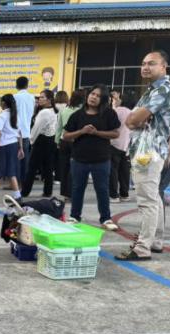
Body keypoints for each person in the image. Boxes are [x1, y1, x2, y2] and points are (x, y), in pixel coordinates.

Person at [117, 50, 170, 261]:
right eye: (143, 63)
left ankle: (142, 247)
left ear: (163, 67)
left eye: (151, 63)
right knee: (154, 198)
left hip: (148, 152)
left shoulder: (162, 89)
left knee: (147, 201)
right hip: (148, 150)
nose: (145, 67)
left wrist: (135, 119)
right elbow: (131, 120)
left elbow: (133, 120)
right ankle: (156, 241)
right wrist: (134, 119)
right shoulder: (152, 90)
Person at [61, 85, 120, 231]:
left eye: (98, 96)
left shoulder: (109, 114)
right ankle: (74, 216)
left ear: (103, 99)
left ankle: (105, 218)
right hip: (79, 159)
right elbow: (65, 136)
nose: (94, 97)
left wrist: (97, 133)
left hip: (101, 159)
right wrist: (81, 131)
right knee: (77, 188)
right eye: (92, 94)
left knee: (102, 189)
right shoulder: (77, 115)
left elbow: (115, 133)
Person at [22, 89, 58, 197]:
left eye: (42, 97)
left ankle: (24, 191)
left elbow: (36, 129)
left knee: (32, 168)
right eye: (40, 97)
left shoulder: (44, 112)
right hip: (51, 140)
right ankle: (48, 191)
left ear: (49, 100)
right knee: (48, 167)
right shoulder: (53, 110)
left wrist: (31, 140)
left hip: (41, 140)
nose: (40, 99)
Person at [55, 90, 85, 201]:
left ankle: (65, 194)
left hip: (64, 141)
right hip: (77, 142)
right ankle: (72, 193)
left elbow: (58, 127)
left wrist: (57, 141)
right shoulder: (82, 112)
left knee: (64, 168)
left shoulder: (64, 110)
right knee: (75, 168)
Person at [109, 90, 132, 202]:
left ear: (121, 100)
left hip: (114, 144)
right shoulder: (132, 113)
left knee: (113, 171)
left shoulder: (115, 111)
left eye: (116, 99)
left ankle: (114, 195)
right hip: (126, 146)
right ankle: (125, 194)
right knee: (125, 171)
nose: (114, 101)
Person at [14, 76, 35, 181]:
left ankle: (15, 182)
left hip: (15, 133)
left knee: (15, 159)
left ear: (16, 85)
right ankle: (23, 182)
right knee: (25, 159)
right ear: (27, 85)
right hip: (26, 132)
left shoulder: (14, 97)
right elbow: (32, 113)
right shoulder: (32, 97)